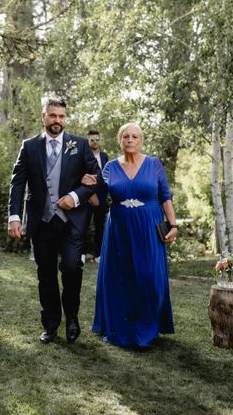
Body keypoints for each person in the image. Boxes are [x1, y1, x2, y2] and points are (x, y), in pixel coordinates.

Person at [8, 98, 101, 344]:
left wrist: (74, 196)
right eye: (53, 116)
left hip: (71, 222)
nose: (57, 120)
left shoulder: (80, 145)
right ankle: (50, 324)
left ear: (65, 118)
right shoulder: (29, 147)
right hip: (42, 222)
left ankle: (72, 318)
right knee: (45, 274)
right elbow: (18, 182)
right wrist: (14, 216)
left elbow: (97, 178)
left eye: (61, 116)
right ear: (44, 116)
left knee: (72, 268)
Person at [91, 123, 177, 349]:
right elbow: (97, 200)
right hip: (119, 228)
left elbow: (165, 196)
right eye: (126, 136)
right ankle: (120, 326)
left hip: (149, 226)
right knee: (120, 277)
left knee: (149, 277)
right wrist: (83, 187)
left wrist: (174, 225)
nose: (130, 140)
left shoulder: (154, 164)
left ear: (141, 140)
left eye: (135, 136)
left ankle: (147, 326)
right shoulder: (109, 167)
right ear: (120, 140)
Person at [84, 129, 109, 262]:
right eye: (92, 140)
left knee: (100, 227)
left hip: (102, 196)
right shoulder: (83, 155)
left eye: (97, 140)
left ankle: (99, 254)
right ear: (88, 141)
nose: (95, 142)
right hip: (87, 195)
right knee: (84, 225)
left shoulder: (104, 156)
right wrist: (89, 194)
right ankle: (81, 254)